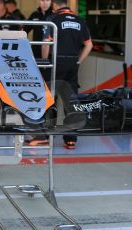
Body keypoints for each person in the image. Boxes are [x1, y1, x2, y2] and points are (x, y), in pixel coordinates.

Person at [34, 0, 93, 149]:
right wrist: (78, 61)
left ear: (54, 5)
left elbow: (46, 43)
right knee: (71, 100)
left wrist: (45, 61)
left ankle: (45, 136)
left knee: (49, 98)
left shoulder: (53, 19)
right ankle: (71, 139)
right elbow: (89, 44)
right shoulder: (81, 21)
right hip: (72, 63)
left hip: (55, 62)